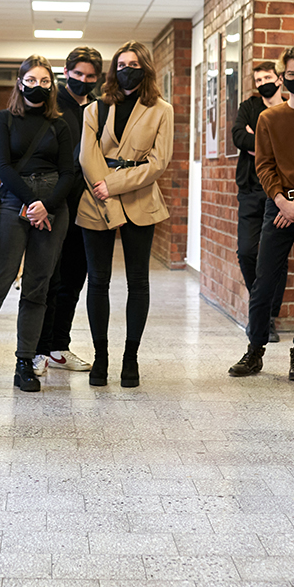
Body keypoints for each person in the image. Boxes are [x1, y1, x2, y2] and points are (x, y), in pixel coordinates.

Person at [0, 56, 77, 394]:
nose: (38, 86)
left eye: (45, 81)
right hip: (13, 202)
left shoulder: (61, 125)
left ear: (52, 86)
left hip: (53, 207)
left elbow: (69, 173)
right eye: (31, 80)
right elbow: (2, 166)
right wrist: (30, 203)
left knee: (38, 288)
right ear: (20, 83)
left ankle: (25, 363)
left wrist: (46, 206)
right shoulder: (3, 119)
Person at [78, 40, 174, 388]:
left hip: (138, 198)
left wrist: (114, 184)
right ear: (113, 69)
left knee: (138, 281)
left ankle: (130, 357)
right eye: (121, 63)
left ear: (145, 67)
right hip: (96, 199)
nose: (126, 69)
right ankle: (100, 356)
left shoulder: (161, 109)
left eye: (133, 63)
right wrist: (103, 186)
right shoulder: (94, 108)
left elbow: (158, 162)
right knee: (98, 280)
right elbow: (87, 157)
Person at [229, 45, 294, 382]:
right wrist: (283, 201)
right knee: (264, 280)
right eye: (291, 75)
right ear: (282, 78)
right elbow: (264, 165)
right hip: (278, 204)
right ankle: (255, 350)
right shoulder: (268, 118)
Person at [33, 47, 102, 376]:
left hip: (86, 207)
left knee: (74, 278)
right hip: (54, 205)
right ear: (66, 71)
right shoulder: (51, 107)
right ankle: (38, 349)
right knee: (49, 278)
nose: (83, 81)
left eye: (90, 77)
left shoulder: (98, 108)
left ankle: (60, 345)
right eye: (78, 74)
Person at [233, 60, 286, 342]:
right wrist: (269, 146)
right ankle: (260, 309)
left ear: (279, 79)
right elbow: (239, 136)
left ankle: (267, 318)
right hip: (251, 190)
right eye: (258, 79)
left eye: (267, 77)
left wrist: (259, 144)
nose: (263, 82)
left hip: (279, 192)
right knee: (246, 251)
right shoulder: (250, 108)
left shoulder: (288, 109)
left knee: (275, 257)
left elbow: (293, 146)